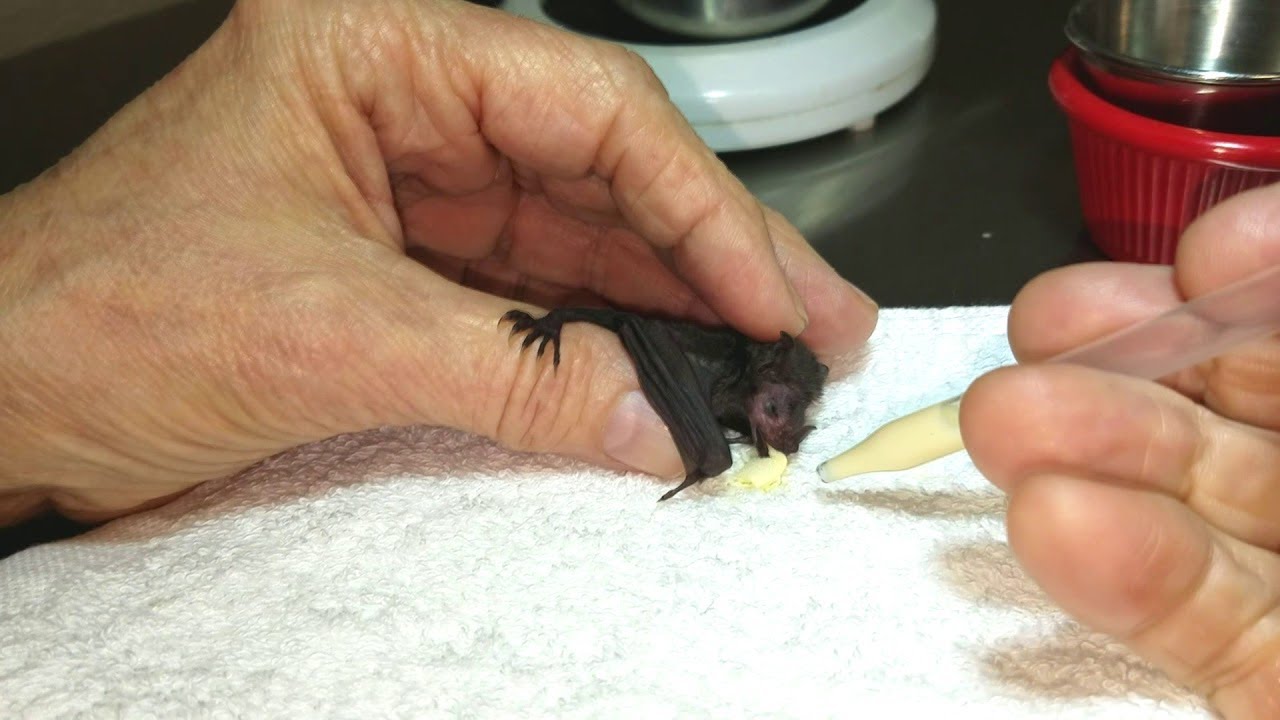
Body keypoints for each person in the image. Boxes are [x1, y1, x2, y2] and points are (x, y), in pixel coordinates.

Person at [0, 0, 1273, 716]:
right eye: (770, 415)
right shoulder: (716, 368)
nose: (775, 423)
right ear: (753, 397)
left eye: (779, 416)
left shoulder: (769, 385)